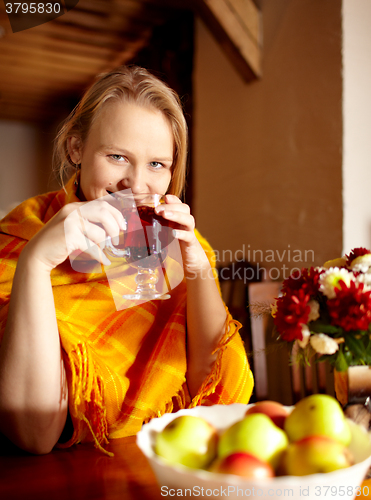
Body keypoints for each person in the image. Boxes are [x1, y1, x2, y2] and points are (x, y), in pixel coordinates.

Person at [0, 66, 254, 456]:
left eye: (157, 164)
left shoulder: (182, 245)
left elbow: (219, 396)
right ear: (75, 149)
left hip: (162, 462)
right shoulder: (18, 237)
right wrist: (36, 262)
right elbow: (35, 433)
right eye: (117, 156)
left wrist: (198, 268)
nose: (136, 185)